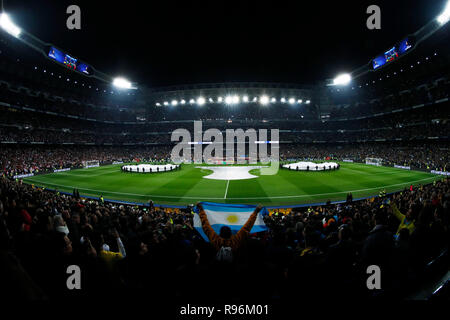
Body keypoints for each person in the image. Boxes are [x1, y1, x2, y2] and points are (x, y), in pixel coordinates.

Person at [196, 203, 262, 253]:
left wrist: (201, 210)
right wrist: (256, 212)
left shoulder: (216, 241)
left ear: (220, 233)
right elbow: (247, 227)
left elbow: (206, 226)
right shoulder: (235, 241)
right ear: (231, 233)